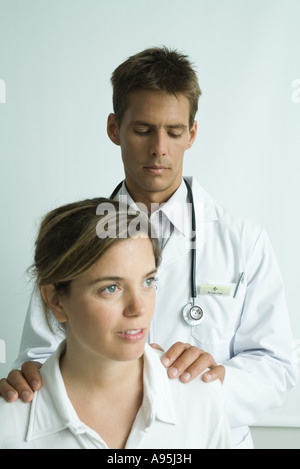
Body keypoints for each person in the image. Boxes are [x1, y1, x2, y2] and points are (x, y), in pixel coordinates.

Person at [0, 47, 298, 449]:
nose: (159, 148)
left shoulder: (243, 241)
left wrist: (205, 393)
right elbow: (38, 353)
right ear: (113, 129)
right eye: (142, 130)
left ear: (192, 134)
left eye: (174, 132)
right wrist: (28, 377)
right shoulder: (75, 241)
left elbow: (277, 366)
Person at [0, 198, 231, 449]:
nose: (139, 308)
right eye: (111, 288)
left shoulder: (201, 398)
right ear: (56, 300)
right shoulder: (9, 423)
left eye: (148, 282)